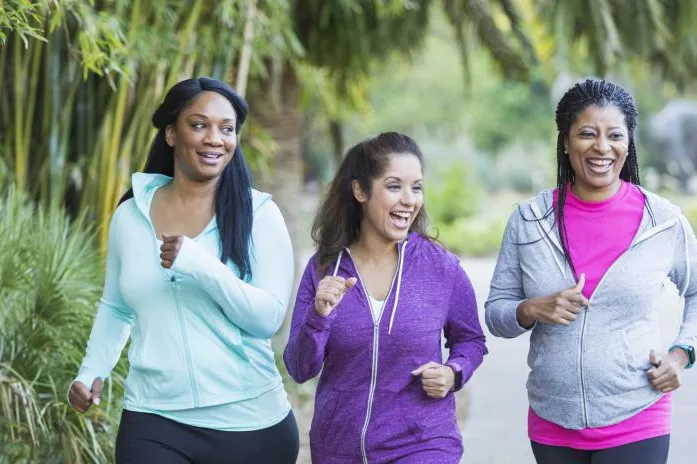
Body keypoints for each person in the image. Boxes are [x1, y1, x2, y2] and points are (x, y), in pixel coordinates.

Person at [68, 77, 299, 463]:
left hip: (250, 424)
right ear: (171, 134)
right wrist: (91, 370)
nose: (215, 138)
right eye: (199, 125)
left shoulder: (259, 215)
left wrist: (201, 265)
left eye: (227, 129)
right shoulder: (130, 216)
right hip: (154, 421)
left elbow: (267, 320)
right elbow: (116, 306)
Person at [485, 78, 697, 464]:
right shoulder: (530, 221)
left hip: (637, 416)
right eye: (587, 133)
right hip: (553, 423)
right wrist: (531, 309)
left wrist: (681, 354)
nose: (602, 147)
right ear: (565, 141)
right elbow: (497, 313)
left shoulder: (662, 222)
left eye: (614, 134)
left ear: (628, 142)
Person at [284, 132, 487, 463]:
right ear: (360, 191)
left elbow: (471, 340)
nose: (409, 200)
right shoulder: (325, 269)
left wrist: (453, 372)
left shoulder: (439, 267)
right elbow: (299, 368)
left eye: (416, 187)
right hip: (339, 450)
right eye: (395, 186)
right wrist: (318, 316)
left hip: (423, 444)